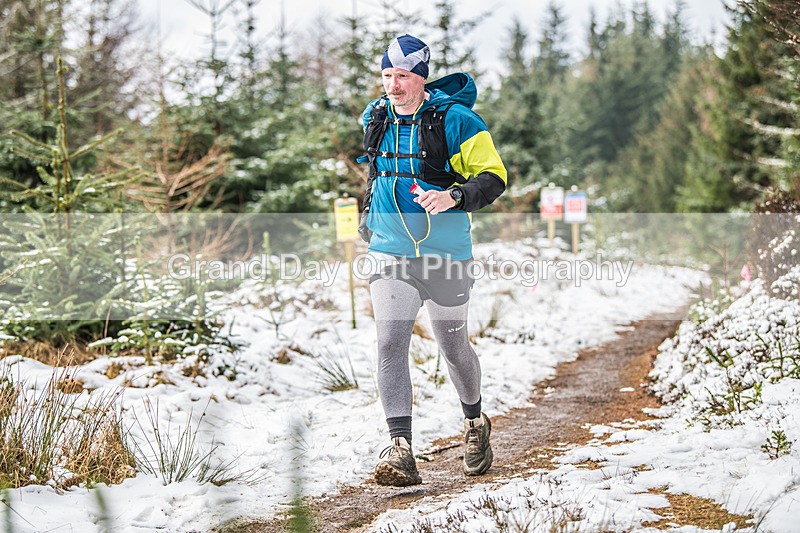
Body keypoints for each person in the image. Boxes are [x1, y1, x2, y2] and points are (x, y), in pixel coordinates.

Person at [358, 34, 507, 486]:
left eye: (403, 76)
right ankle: (401, 450)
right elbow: (374, 169)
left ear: (421, 77)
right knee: (389, 344)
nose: (393, 85)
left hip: (446, 255)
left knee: (452, 347)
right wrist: (368, 215)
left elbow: (494, 177)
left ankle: (475, 424)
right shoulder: (377, 117)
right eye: (387, 75)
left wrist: (454, 195)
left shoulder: (457, 120)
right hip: (390, 251)